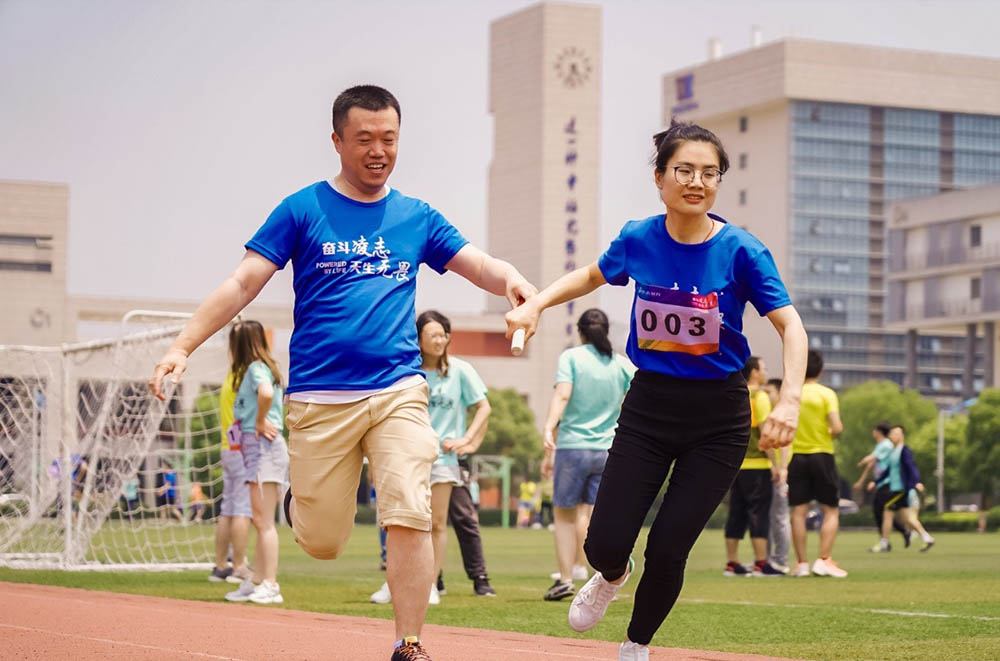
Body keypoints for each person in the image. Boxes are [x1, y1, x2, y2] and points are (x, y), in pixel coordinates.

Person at [149, 85, 535, 661]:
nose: (378, 151)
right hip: (320, 399)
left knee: (409, 508)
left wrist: (512, 281)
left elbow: (476, 263)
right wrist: (183, 345)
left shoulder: (416, 216)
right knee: (323, 542)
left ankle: (409, 643)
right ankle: (298, 506)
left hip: (398, 390)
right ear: (337, 141)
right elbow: (243, 282)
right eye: (364, 139)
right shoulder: (302, 209)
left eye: (389, 139)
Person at [505, 119, 806, 661]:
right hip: (649, 407)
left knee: (669, 546)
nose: (696, 182)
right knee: (602, 543)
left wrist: (789, 400)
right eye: (684, 170)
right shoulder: (638, 238)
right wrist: (537, 304)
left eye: (709, 173)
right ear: (660, 177)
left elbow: (791, 326)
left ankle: (636, 646)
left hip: (718, 417)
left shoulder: (742, 251)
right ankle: (611, 574)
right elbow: (590, 275)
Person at [370, 310, 493, 605]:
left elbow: (484, 407)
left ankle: (429, 586)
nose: (439, 340)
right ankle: (394, 583)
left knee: (436, 524)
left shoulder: (460, 370)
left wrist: (467, 440)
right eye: (432, 335)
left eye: (442, 335)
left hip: (444, 461)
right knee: (400, 522)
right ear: (419, 339)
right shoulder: (408, 372)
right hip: (408, 457)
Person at [541, 308, 635, 602]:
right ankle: (602, 580)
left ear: (581, 332)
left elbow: (562, 395)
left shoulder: (571, 358)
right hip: (608, 449)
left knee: (565, 516)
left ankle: (565, 579)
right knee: (595, 518)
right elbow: (636, 399)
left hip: (572, 447)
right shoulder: (621, 363)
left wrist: (549, 426)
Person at [222, 320, 289, 605]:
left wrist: (260, 421)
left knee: (264, 521)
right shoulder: (261, 368)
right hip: (256, 449)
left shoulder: (255, 369)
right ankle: (259, 579)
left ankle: (270, 583)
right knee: (260, 519)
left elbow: (266, 393)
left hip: (263, 447)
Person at [787, 350, 846, 578]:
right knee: (830, 509)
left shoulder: (792, 393)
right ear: (820, 370)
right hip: (822, 454)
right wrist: (829, 433)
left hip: (797, 456)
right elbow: (837, 427)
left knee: (798, 511)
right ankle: (823, 560)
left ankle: (801, 563)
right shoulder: (826, 394)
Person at [723, 356, 783, 577]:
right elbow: (765, 434)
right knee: (758, 513)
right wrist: (775, 465)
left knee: (736, 513)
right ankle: (760, 563)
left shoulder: (732, 394)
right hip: (757, 465)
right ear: (755, 372)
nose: (765, 372)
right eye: (763, 368)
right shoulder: (759, 396)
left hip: (734, 465)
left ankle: (732, 563)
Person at [210, 370, 253, 584]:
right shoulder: (248, 376)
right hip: (243, 447)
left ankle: (220, 566)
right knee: (243, 509)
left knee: (228, 509)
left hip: (228, 447)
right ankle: (238, 567)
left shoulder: (230, 377)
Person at [873, 425, 935, 553]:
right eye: (891, 433)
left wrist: (916, 482)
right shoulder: (892, 452)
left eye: (896, 433)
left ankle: (884, 543)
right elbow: (888, 471)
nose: (892, 436)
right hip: (895, 489)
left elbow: (911, 467)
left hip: (901, 490)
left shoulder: (904, 451)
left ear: (902, 436)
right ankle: (927, 538)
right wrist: (876, 481)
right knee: (908, 518)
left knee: (887, 511)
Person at [856, 422, 909, 552]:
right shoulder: (882, 445)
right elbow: (873, 464)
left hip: (889, 483)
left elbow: (872, 459)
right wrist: (865, 481)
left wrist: (862, 462)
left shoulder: (886, 445)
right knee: (883, 512)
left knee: (884, 511)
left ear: (878, 432)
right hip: (883, 482)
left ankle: (886, 541)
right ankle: (897, 535)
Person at [761, 376, 792, 573]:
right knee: (770, 517)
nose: (765, 395)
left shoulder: (784, 416)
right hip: (773, 471)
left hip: (780, 473)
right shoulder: (771, 413)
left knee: (780, 517)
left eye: (769, 391)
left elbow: (785, 445)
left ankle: (781, 561)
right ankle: (768, 560)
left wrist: (782, 468)